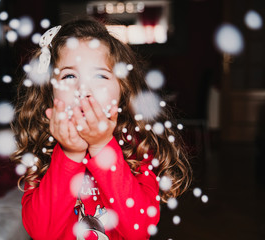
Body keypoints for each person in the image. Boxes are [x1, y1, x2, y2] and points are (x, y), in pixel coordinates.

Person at [11, 18, 191, 240]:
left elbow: (140, 230)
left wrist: (102, 146)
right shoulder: (42, 151)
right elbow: (42, 233)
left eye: (100, 76)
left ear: (123, 90)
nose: (83, 89)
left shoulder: (139, 146)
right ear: (50, 92)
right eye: (69, 76)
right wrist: (70, 154)